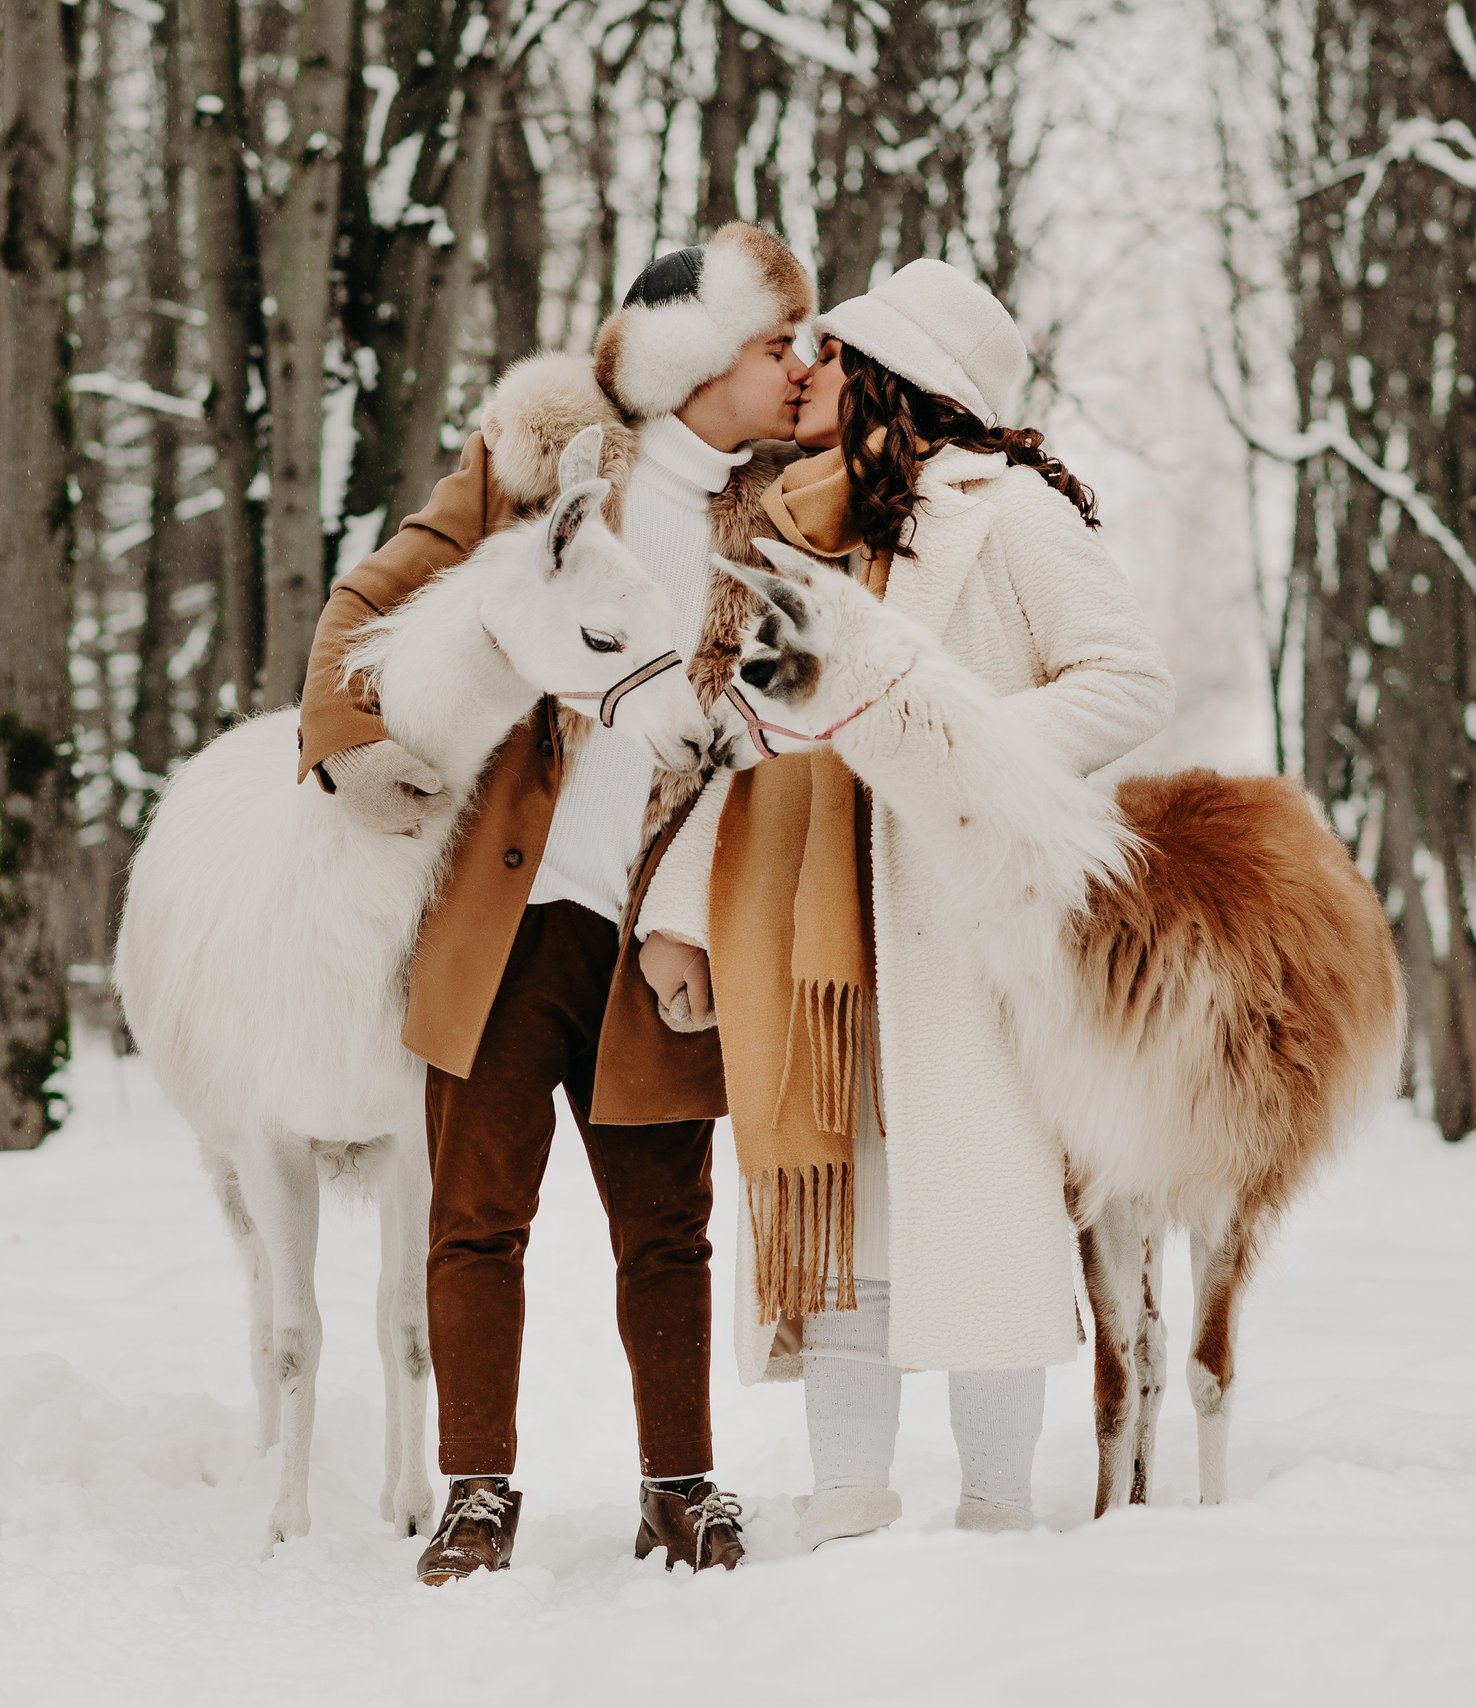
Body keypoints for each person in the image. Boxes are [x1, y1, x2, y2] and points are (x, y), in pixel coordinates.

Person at [296, 223, 817, 1583]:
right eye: (778, 343)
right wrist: (349, 747)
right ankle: (478, 1494)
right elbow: (372, 597)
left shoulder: (789, 516)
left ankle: (680, 1486)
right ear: (702, 362)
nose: (799, 364)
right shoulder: (547, 465)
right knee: (477, 1212)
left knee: (669, 1224)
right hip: (508, 907)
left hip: (664, 927)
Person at [633, 258, 1175, 1547]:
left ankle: (996, 1513)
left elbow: (1127, 680)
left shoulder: (1013, 515)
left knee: (987, 1211)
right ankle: (846, 1507)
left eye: (833, 354)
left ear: (901, 382)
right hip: (819, 930)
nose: (806, 368)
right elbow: (772, 754)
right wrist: (681, 912)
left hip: (965, 924)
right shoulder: (811, 531)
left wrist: (958, 745)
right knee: (848, 1214)